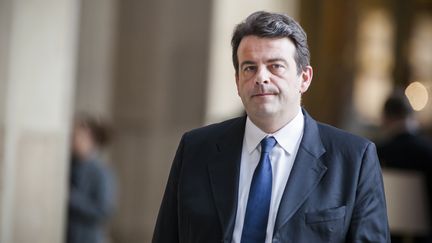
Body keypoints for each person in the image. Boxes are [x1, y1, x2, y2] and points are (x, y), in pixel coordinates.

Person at [153, 11, 389, 243]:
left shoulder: (354, 159)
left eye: (275, 66)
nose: (261, 78)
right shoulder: (195, 149)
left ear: (304, 78)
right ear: (237, 81)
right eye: (249, 68)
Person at [67, 114, 116, 243]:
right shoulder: (69, 165)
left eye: (79, 137)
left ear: (91, 140)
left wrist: (72, 198)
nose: (74, 140)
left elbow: (103, 210)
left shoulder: (101, 172)